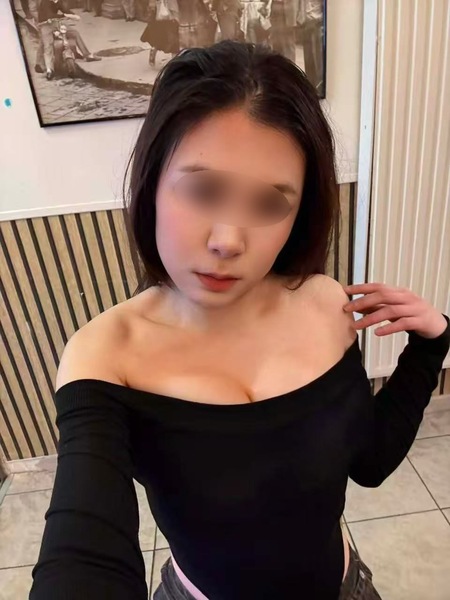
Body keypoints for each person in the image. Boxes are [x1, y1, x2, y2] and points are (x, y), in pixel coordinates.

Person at [28, 41, 450, 600]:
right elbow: (83, 554)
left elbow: (369, 462)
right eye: (203, 190)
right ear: (152, 183)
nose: (229, 240)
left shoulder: (324, 303)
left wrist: (430, 345)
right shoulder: (106, 355)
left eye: (270, 204)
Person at [37, 0, 101, 79]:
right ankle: (49, 70)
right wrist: (66, 15)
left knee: (75, 33)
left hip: (56, 23)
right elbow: (49, 15)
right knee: (48, 45)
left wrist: (74, 15)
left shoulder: (57, 1)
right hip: (45, 25)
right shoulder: (45, 2)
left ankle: (87, 55)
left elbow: (64, 9)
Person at [140, 0, 180, 67]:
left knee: (160, 39)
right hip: (168, 18)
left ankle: (154, 50)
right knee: (173, 40)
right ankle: (174, 62)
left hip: (158, 18)